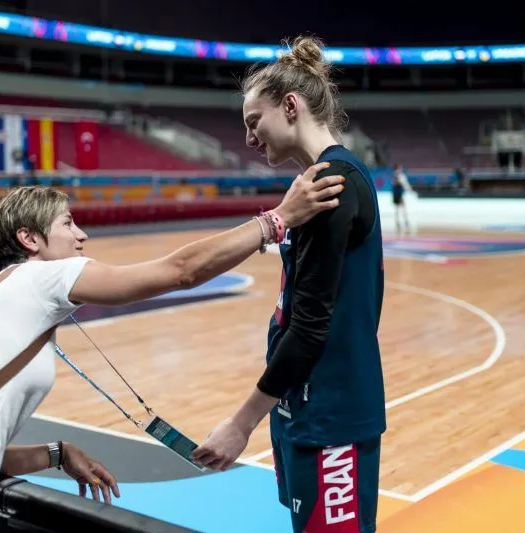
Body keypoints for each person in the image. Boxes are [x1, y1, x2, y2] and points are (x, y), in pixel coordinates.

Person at [0, 168, 345, 532]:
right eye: (68, 223)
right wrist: (276, 220)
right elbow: (180, 272)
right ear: (29, 239)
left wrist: (55, 453)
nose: (82, 235)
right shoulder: (43, 276)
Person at [192, 36, 386, 533]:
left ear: (291, 105)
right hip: (302, 406)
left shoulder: (333, 185)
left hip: (332, 414)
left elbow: (311, 326)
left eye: (254, 122)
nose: (250, 139)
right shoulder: (312, 184)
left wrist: (241, 423)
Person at [392, 163, 414, 235]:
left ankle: (398, 222)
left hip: (396, 193)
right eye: (400, 167)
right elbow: (403, 183)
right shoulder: (399, 175)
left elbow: (401, 183)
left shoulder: (396, 175)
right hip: (398, 193)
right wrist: (409, 189)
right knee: (402, 207)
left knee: (398, 208)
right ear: (398, 168)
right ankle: (405, 221)